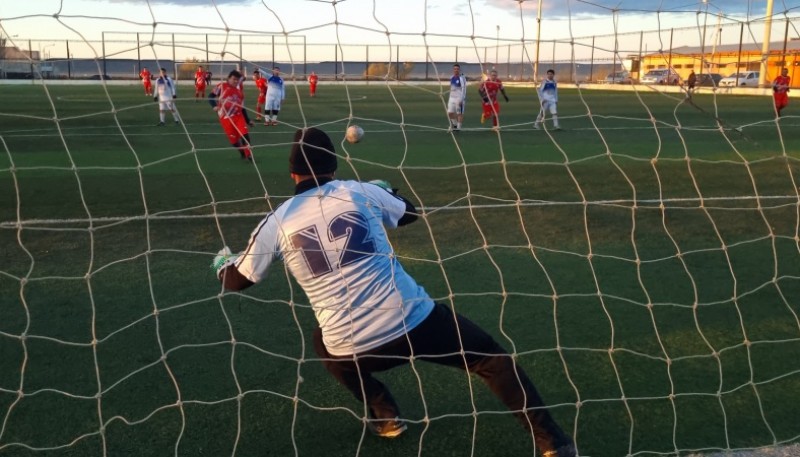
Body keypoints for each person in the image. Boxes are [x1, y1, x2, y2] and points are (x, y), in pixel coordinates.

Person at [211, 127, 577, 457]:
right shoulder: (356, 190)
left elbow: (239, 280)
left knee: (324, 342)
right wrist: (386, 191)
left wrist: (221, 263)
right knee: (490, 360)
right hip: (414, 320)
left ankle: (386, 416)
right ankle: (554, 444)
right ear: (333, 168)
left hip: (352, 347)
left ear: (292, 173)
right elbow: (410, 215)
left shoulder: (278, 220)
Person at [208, 70, 253, 161]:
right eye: (234, 79)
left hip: (238, 116)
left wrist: (248, 120)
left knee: (245, 135)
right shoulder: (222, 86)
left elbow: (242, 108)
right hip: (225, 118)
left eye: (237, 80)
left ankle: (248, 155)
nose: (235, 81)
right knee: (234, 141)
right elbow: (210, 96)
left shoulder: (239, 93)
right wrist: (214, 106)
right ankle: (242, 153)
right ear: (229, 78)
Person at [447, 64, 467, 131]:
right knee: (450, 113)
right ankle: (455, 125)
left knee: (459, 113)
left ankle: (458, 128)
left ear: (459, 70)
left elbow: (464, 89)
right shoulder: (451, 77)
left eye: (457, 69)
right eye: (455, 69)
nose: (456, 70)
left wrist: (462, 99)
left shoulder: (461, 78)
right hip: (452, 98)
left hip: (459, 98)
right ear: (453, 70)